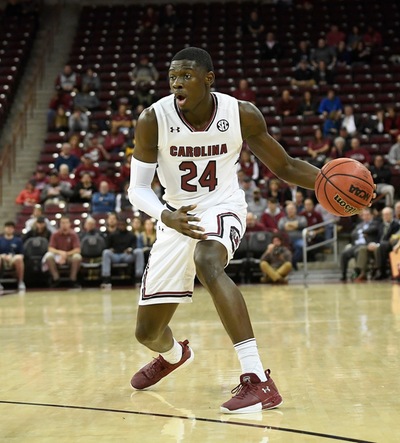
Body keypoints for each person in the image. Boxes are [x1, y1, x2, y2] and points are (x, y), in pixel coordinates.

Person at [127, 47, 319, 414]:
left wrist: (326, 182)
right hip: (176, 216)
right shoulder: (153, 118)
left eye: (185, 76)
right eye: (172, 77)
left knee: (208, 261)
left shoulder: (240, 113)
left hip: (223, 206)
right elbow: (137, 189)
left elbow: (286, 166)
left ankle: (257, 380)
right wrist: (166, 216)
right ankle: (175, 354)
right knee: (147, 333)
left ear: (208, 79)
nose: (176, 83)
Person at [353, 207, 398, 282]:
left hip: (388, 246)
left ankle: (378, 270)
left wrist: (378, 245)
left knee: (379, 248)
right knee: (363, 249)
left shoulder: (396, 225)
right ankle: (362, 271)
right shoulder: (381, 225)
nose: (385, 216)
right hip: (378, 244)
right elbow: (375, 235)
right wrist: (372, 243)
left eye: (387, 214)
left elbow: (394, 238)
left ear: (392, 215)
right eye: (384, 215)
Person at [100, 217, 144, 289]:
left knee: (139, 251)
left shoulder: (131, 235)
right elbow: (106, 246)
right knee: (106, 252)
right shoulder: (112, 235)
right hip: (115, 256)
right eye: (120, 225)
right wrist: (110, 249)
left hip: (127, 256)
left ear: (126, 225)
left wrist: (130, 249)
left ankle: (138, 278)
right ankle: (106, 279)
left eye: (123, 225)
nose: (122, 226)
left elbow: (134, 246)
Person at [41, 216, 82, 288]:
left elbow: (77, 249)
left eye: (66, 223)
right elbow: (50, 248)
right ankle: (56, 279)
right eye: (62, 223)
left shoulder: (73, 235)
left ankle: (73, 280)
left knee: (77, 257)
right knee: (48, 256)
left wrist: (66, 254)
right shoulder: (55, 234)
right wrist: (60, 253)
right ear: (60, 224)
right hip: (57, 256)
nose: (64, 225)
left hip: (69, 256)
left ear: (69, 224)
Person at [339, 208, 378, 282]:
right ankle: (343, 275)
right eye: (364, 215)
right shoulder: (359, 225)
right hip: (356, 244)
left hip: (366, 245)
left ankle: (359, 273)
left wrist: (362, 232)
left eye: (367, 215)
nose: (366, 217)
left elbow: (374, 229)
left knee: (358, 251)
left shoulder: (375, 223)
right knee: (344, 254)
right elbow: (353, 234)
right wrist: (363, 232)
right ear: (362, 216)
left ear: (371, 215)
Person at [0, 221, 26, 292]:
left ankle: (20, 282)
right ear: (4, 229)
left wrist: (13, 257)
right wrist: (2, 256)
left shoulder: (18, 240)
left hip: (13, 259)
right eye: (7, 228)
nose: (9, 229)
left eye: (11, 228)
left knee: (19, 259)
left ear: (13, 229)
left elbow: (21, 254)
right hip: (3, 259)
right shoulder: (0, 240)